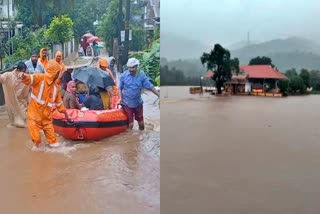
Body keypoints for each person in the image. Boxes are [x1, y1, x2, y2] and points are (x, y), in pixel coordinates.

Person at [18, 60, 72, 148]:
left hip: (46, 120)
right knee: (37, 141)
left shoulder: (56, 88)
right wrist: (23, 75)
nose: (60, 75)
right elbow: (30, 79)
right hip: (34, 117)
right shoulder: (40, 78)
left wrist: (67, 116)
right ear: (55, 73)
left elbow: (60, 105)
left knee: (55, 144)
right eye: (58, 72)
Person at [118, 58, 160, 130]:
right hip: (127, 103)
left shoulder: (141, 75)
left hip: (138, 103)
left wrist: (159, 95)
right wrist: (120, 99)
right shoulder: (124, 75)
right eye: (130, 67)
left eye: (133, 67)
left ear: (137, 66)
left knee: (141, 124)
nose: (131, 69)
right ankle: (130, 140)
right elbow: (120, 88)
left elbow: (149, 86)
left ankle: (141, 138)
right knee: (130, 125)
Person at [0, 62, 29, 128]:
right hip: (11, 103)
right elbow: (1, 78)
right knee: (16, 123)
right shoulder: (8, 75)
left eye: (24, 72)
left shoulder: (25, 77)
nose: (23, 73)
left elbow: (27, 92)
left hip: (21, 103)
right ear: (17, 70)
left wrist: (28, 102)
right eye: (22, 72)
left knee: (22, 122)